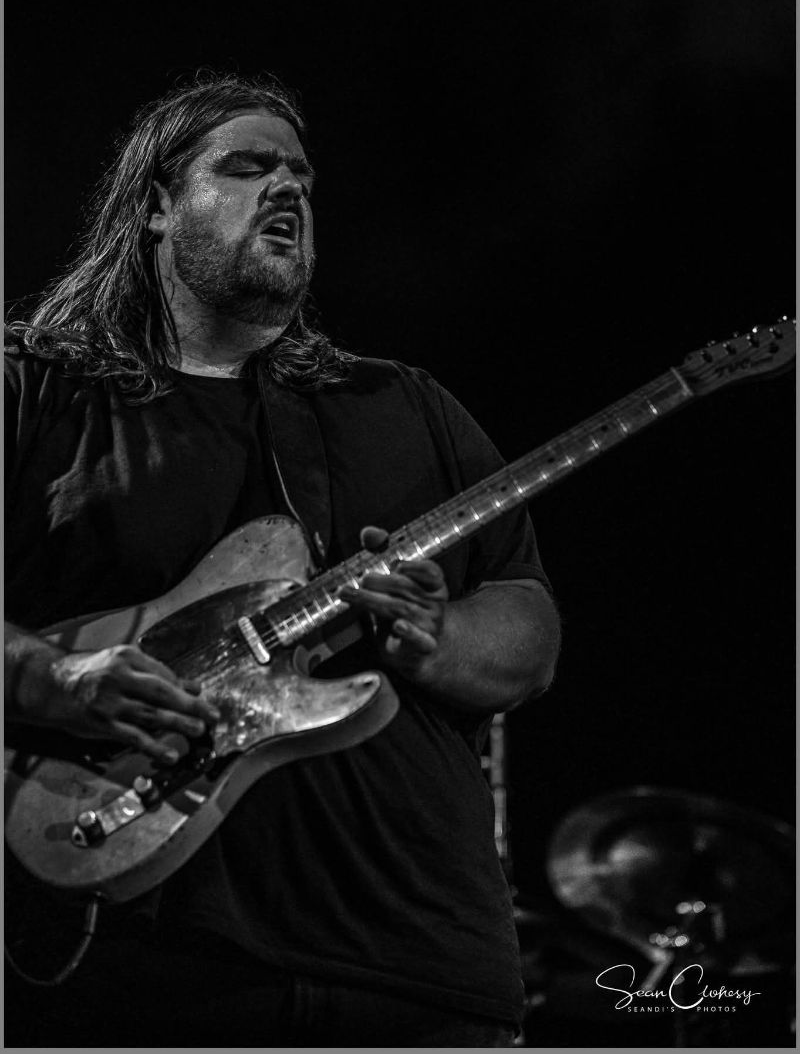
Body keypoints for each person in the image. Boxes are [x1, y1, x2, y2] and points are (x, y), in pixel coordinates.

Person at [4, 72, 561, 1048]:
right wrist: (49, 676)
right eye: (247, 166)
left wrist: (436, 631)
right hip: (136, 957)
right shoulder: (36, 390)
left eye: (301, 173)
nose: (288, 187)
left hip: (421, 960)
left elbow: (529, 631)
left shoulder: (404, 405)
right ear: (157, 207)